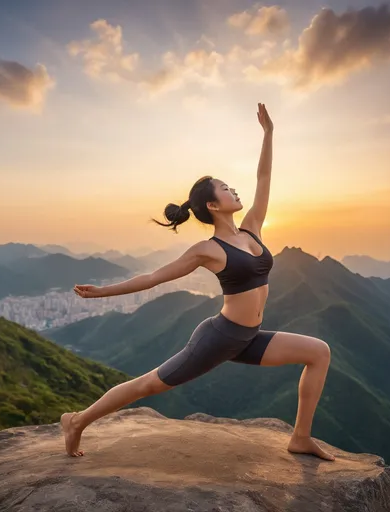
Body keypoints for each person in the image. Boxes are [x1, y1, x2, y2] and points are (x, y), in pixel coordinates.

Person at [61, 103, 335, 461]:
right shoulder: (208, 249)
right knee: (148, 385)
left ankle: (300, 437)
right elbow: (154, 277)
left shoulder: (252, 228)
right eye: (225, 188)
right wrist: (103, 292)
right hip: (219, 338)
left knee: (319, 352)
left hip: (250, 338)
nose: (233, 190)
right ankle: (77, 421)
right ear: (213, 205)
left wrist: (268, 134)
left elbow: (263, 180)